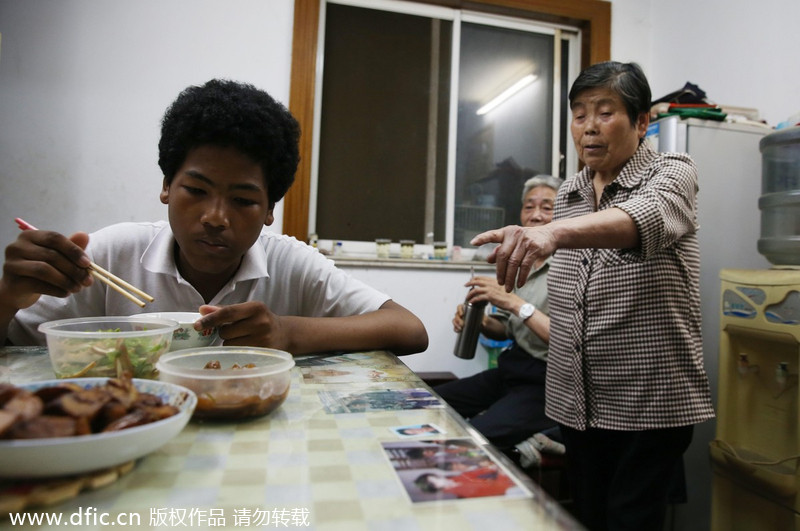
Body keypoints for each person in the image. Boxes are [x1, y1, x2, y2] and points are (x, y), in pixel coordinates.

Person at [0, 79, 428, 356]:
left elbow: (409, 329)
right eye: (196, 191)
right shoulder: (112, 254)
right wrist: (9, 295)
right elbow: (11, 341)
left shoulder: (288, 263)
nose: (216, 217)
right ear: (167, 186)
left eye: (242, 200)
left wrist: (287, 333)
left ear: (269, 210)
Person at [471, 61, 715, 530]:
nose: (589, 127)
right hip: (577, 399)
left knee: (629, 520)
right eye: (579, 114)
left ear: (641, 122)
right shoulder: (571, 192)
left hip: (647, 398)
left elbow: (641, 218)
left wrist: (552, 233)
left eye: (605, 112)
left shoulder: (672, 172)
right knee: (588, 516)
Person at [434, 175, 562, 456]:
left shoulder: (572, 264)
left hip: (551, 383)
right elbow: (504, 328)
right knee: (431, 405)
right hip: (513, 368)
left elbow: (568, 339)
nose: (536, 215)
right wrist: (479, 322)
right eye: (529, 207)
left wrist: (514, 302)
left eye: (547, 207)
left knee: (475, 440)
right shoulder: (519, 260)